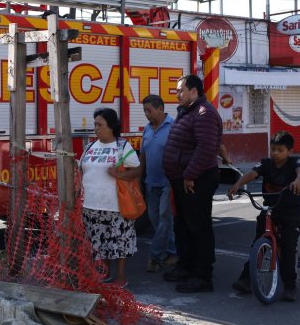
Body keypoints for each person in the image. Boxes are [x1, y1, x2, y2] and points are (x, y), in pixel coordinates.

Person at [227, 131, 300, 302]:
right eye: (273, 149)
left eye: (280, 150)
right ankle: (247, 280)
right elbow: (253, 173)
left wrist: (299, 180)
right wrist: (239, 183)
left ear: (289, 151)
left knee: (288, 247)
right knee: (258, 242)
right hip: (270, 208)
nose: (275, 153)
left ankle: (290, 286)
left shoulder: (295, 162)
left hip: (291, 211)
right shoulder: (266, 163)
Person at [162, 74, 222, 293]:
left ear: (193, 91)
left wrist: (189, 176)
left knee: (199, 227)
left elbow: (206, 149)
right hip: (183, 180)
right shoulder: (188, 111)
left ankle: (203, 276)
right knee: (184, 226)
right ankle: (186, 266)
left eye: (180, 90)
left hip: (197, 180)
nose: (177, 94)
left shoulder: (204, 113)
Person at [80, 107, 141, 287]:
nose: (96, 128)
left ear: (111, 126)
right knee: (98, 242)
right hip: (91, 204)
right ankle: (105, 274)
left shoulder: (122, 146)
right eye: (95, 124)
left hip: (116, 204)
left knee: (119, 241)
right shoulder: (90, 146)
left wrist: (118, 175)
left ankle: (121, 277)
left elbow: (136, 170)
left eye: (100, 124)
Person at [139, 95, 178, 273]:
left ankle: (155, 256)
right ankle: (173, 251)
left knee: (164, 218)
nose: (147, 114)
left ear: (160, 108)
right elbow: (143, 156)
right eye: (145, 111)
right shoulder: (147, 129)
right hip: (150, 182)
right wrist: (139, 178)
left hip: (168, 182)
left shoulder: (174, 127)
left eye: (149, 110)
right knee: (155, 219)